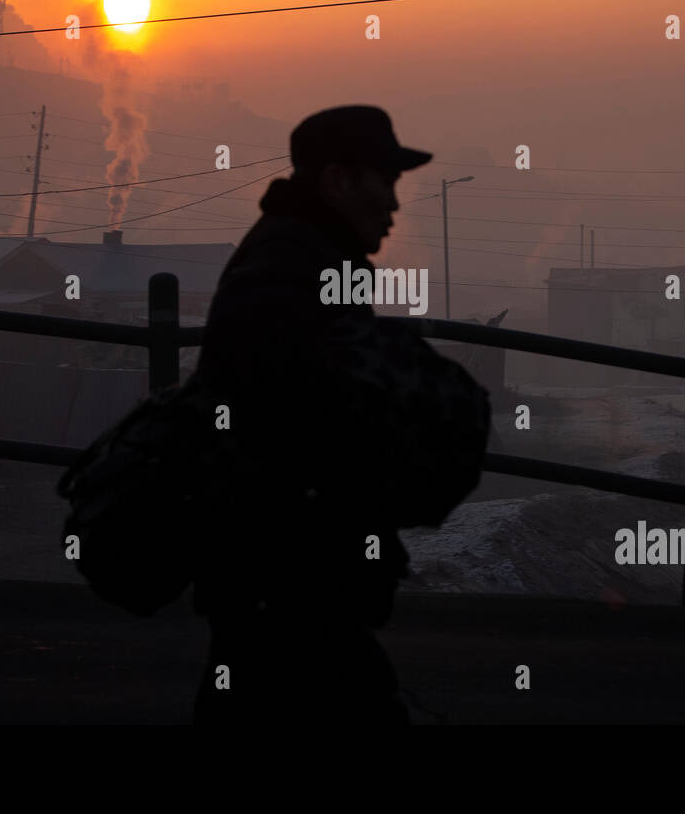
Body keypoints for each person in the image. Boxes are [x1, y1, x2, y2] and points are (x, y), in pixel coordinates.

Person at [189, 105, 491, 726]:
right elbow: (307, 415)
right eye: (385, 182)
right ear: (339, 181)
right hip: (292, 562)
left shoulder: (298, 259)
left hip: (282, 559)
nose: (394, 205)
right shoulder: (292, 270)